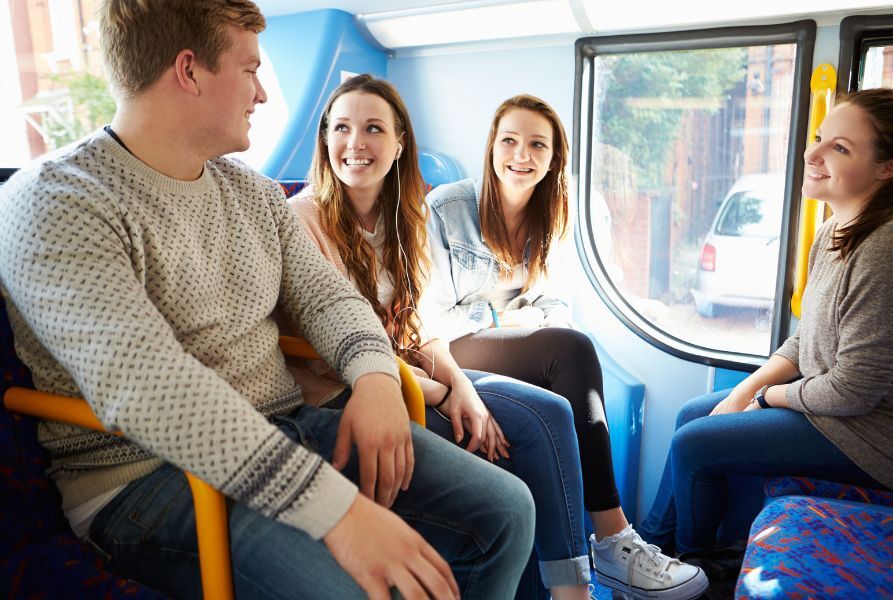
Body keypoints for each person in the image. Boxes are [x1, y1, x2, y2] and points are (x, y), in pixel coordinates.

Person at [0, 2, 537, 599]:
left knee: (506, 511)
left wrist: (377, 381)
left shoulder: (249, 191)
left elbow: (333, 302)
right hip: (146, 478)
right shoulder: (56, 202)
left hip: (286, 427)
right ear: (189, 71)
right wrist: (340, 513)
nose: (260, 94)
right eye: (250, 69)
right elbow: (148, 389)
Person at [286, 73, 591, 600]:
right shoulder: (302, 219)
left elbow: (418, 326)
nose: (355, 143)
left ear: (400, 142)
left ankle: (571, 591)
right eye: (341, 128)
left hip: (418, 373)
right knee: (506, 471)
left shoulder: (404, 218)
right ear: (325, 139)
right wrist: (441, 393)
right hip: (352, 395)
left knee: (551, 416)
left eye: (373, 129)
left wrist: (461, 387)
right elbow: (329, 350)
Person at [423, 94, 707, 600]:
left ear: (554, 158)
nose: (521, 154)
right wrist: (502, 317)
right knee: (573, 351)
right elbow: (431, 317)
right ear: (492, 146)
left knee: (571, 350)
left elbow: (555, 306)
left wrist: (524, 321)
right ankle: (614, 540)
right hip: (448, 348)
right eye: (510, 140)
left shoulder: (551, 215)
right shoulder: (447, 207)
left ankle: (606, 546)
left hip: (499, 341)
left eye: (537, 145)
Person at [638, 88, 893, 555]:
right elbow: (808, 340)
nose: (812, 153)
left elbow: (854, 389)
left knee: (696, 446)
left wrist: (763, 398)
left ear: (889, 167)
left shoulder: (884, 248)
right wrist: (747, 389)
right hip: (829, 408)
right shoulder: (833, 230)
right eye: (820, 138)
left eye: (839, 147)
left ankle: (688, 571)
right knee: (690, 416)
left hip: (869, 435)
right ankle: (651, 552)